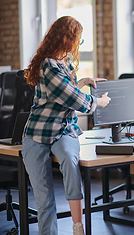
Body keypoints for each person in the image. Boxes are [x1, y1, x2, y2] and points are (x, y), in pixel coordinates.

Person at [22, 16, 111, 235]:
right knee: (44, 196)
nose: (78, 45)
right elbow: (73, 99)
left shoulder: (64, 62)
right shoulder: (48, 65)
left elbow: (66, 91)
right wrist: (97, 102)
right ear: (68, 39)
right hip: (37, 133)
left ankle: (77, 226)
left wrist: (85, 81)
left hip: (63, 130)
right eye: (78, 40)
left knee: (70, 163)